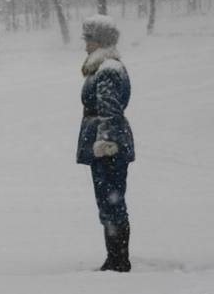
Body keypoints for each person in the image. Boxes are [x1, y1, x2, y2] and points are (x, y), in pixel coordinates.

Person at [76, 14, 134, 272]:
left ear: (100, 40)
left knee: (111, 202)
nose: (85, 44)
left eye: (89, 39)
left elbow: (110, 110)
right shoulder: (104, 67)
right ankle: (115, 257)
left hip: (108, 146)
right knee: (110, 201)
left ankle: (118, 260)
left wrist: (105, 142)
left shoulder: (108, 69)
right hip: (103, 143)